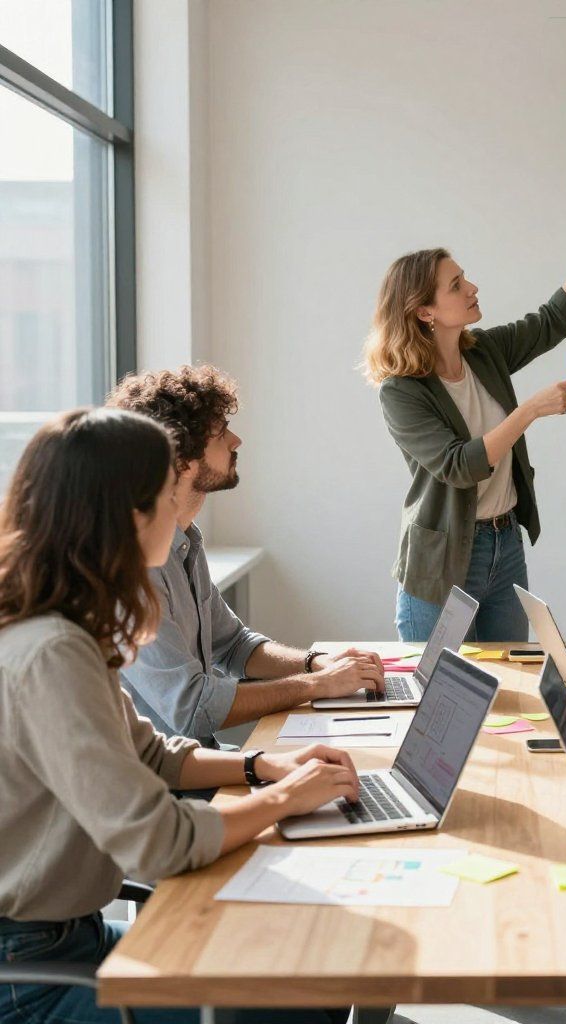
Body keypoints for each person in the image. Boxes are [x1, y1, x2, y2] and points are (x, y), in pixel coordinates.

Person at [0, 408, 358, 1023]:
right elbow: (154, 840)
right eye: (168, 493)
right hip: (33, 978)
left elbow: (152, 754)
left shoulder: (63, 627)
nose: (180, 507)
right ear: (130, 515)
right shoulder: (52, 652)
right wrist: (283, 800)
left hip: (70, 943)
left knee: (309, 973)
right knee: (291, 1004)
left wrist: (263, 764)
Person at [364, 199, 566, 642]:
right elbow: (458, 465)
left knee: (509, 686)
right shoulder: (401, 390)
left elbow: (552, 321)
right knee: (439, 698)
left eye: (464, 278)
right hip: (443, 560)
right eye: (456, 284)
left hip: (505, 546)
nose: (472, 288)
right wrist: (529, 411)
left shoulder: (483, 352)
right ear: (425, 311)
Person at [109, 365, 384, 748]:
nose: (236, 441)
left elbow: (234, 645)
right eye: (221, 433)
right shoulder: (136, 568)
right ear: (182, 459)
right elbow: (192, 709)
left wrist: (317, 663)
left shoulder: (185, 541)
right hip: (168, 787)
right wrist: (318, 685)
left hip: (202, 759)